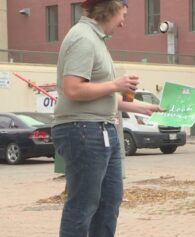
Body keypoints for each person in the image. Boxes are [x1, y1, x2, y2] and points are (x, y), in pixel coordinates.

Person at [51, 1, 163, 236]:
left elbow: (101, 96)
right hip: (83, 129)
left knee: (109, 200)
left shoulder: (96, 40)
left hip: (100, 129)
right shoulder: (82, 38)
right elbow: (73, 89)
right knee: (84, 203)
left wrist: (145, 108)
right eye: (123, 15)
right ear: (110, 10)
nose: (123, 22)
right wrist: (115, 84)